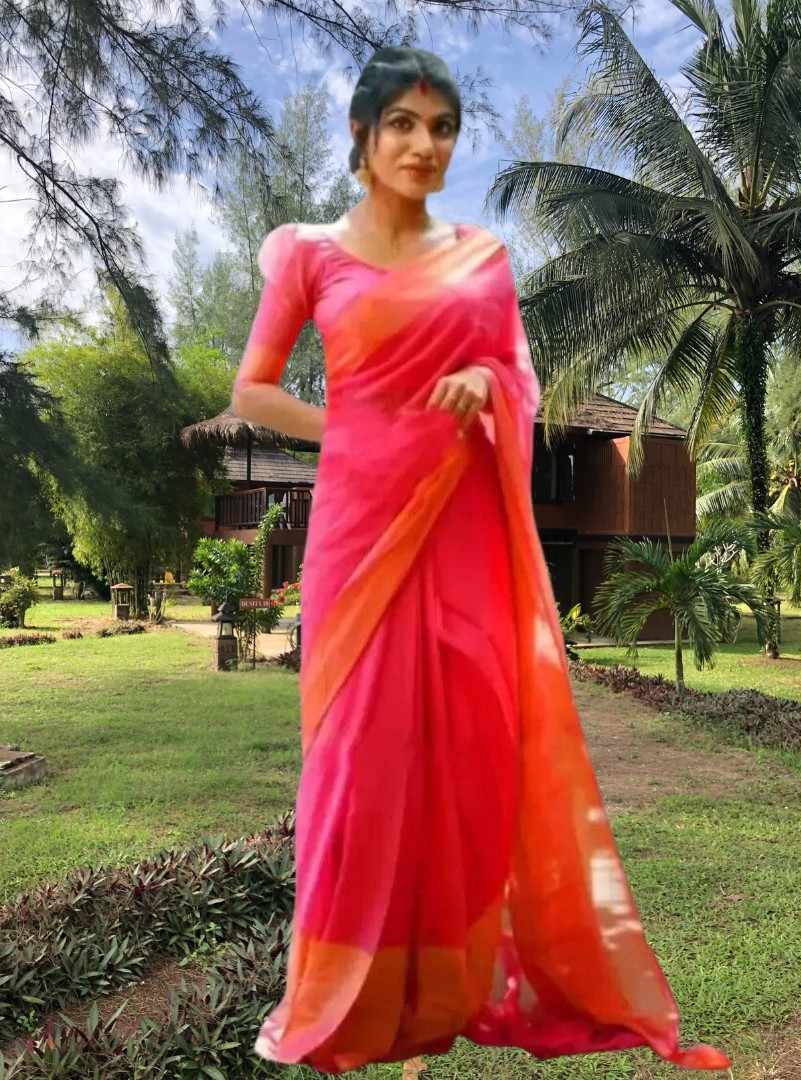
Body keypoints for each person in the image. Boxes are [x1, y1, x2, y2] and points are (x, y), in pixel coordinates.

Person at [232, 45, 731, 1078]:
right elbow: (255, 392)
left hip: (462, 523)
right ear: (362, 135)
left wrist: (484, 381)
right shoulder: (308, 254)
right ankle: (349, 997)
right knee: (359, 763)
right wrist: (357, 429)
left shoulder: (480, 259)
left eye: (442, 127)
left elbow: (517, 376)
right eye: (402, 124)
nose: (424, 144)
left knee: (466, 749)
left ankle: (449, 989)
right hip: (360, 528)